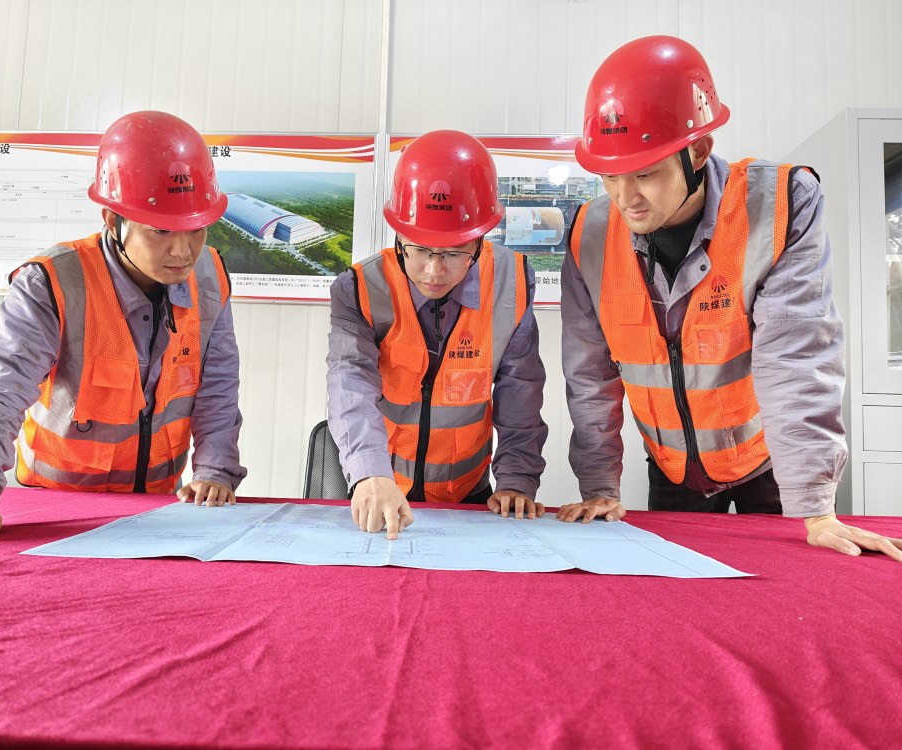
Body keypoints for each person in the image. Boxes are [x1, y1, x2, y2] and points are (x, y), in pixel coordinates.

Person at [557, 36, 902, 560]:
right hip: (673, 469)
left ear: (698, 151)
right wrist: (599, 486)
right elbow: (589, 374)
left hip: (769, 463)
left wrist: (814, 505)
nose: (626, 199)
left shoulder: (777, 206)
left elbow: (796, 357)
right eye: (609, 176)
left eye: (645, 173)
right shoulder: (590, 234)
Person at [0, 110, 247, 546]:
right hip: (54, 507)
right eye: (161, 230)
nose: (184, 251)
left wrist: (215, 471)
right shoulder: (52, 282)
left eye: (196, 229)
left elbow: (218, 386)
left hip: (159, 509)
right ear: (113, 220)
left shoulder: (210, 277)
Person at [327, 130, 548, 539]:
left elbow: (521, 390)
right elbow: (350, 382)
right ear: (398, 236)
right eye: (419, 249)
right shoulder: (359, 289)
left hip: (469, 494)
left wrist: (517, 478)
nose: (434, 271)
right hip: (380, 485)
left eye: (453, 253)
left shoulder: (511, 283)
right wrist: (370, 473)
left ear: (479, 240)